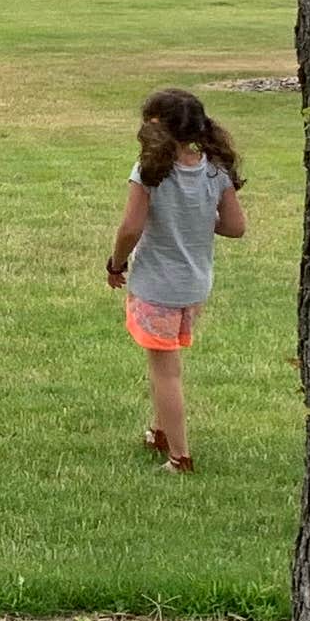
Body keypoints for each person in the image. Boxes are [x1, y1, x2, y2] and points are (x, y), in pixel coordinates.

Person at [105, 86, 248, 472]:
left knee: (164, 371)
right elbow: (235, 227)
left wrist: (115, 264)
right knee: (166, 358)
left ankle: (179, 455)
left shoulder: (149, 172)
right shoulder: (216, 170)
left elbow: (130, 228)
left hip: (156, 286)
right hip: (195, 286)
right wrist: (197, 219)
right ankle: (160, 431)